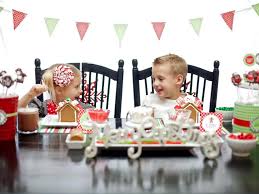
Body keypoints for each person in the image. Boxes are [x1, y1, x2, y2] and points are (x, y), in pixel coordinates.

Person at [18, 63, 92, 117]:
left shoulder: (81, 107)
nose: (81, 91)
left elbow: (96, 115)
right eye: (76, 86)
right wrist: (30, 95)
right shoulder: (43, 108)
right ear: (59, 90)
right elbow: (18, 112)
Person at [142, 53, 202, 120]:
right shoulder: (149, 101)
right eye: (153, 79)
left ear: (178, 80)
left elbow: (195, 126)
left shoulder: (190, 103)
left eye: (160, 79)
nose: (155, 83)